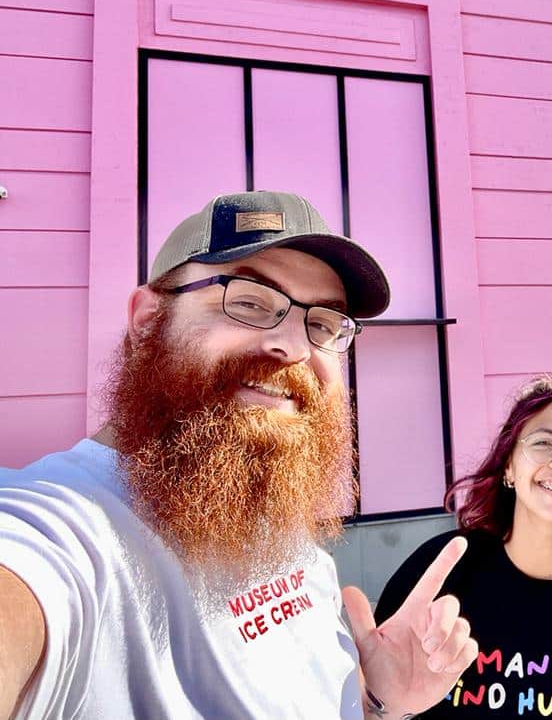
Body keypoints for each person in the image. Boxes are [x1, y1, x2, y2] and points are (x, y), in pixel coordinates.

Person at [0, 191, 478, 719]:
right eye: (249, 301)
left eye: (322, 324)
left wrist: (381, 702)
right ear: (146, 320)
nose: (295, 347)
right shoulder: (58, 534)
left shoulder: (259, 512)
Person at [375, 375, 552, 718]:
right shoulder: (441, 573)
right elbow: (374, 699)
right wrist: (386, 705)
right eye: (543, 443)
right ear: (509, 467)